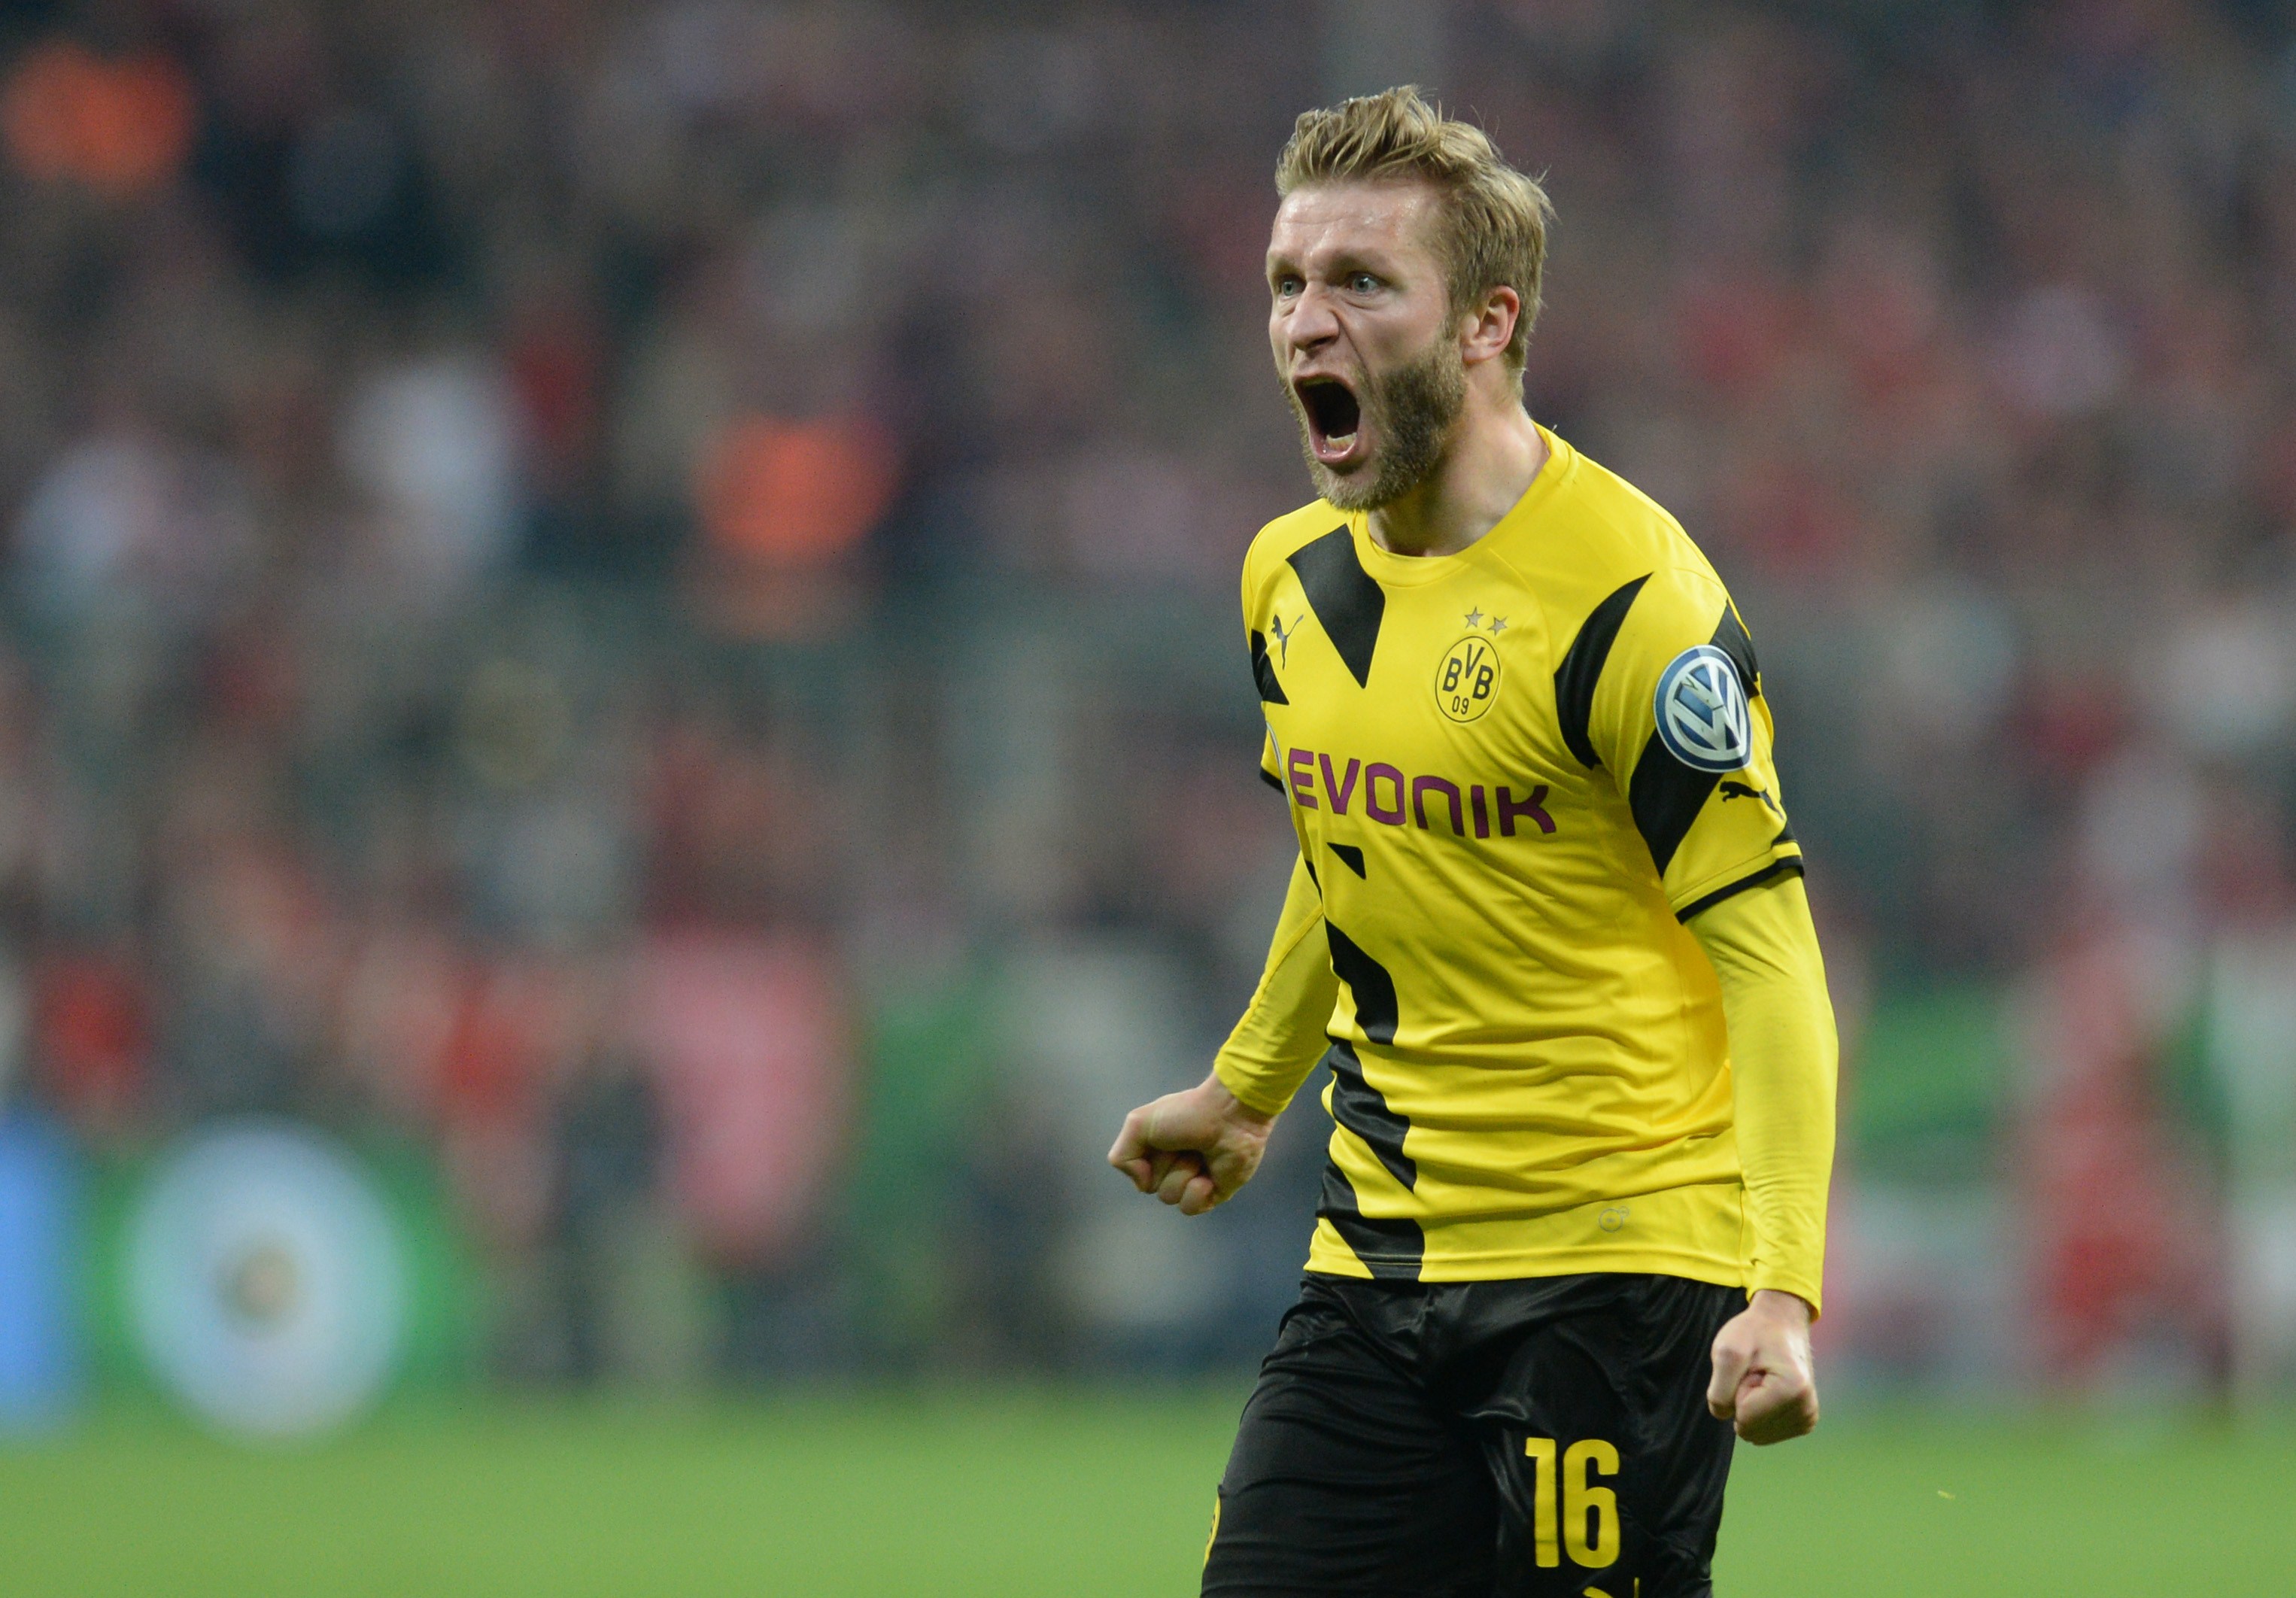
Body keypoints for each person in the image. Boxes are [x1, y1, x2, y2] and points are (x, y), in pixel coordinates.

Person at [1108, 87, 1837, 1597]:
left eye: (1361, 283)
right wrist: (1247, 1088)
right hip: (1375, 1256)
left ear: (1485, 324)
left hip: (1614, 1276)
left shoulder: (1635, 607)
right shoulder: (1285, 578)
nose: (1306, 323)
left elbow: (1767, 964)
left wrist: (1779, 1291)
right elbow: (1346, 853)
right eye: (1286, 283)